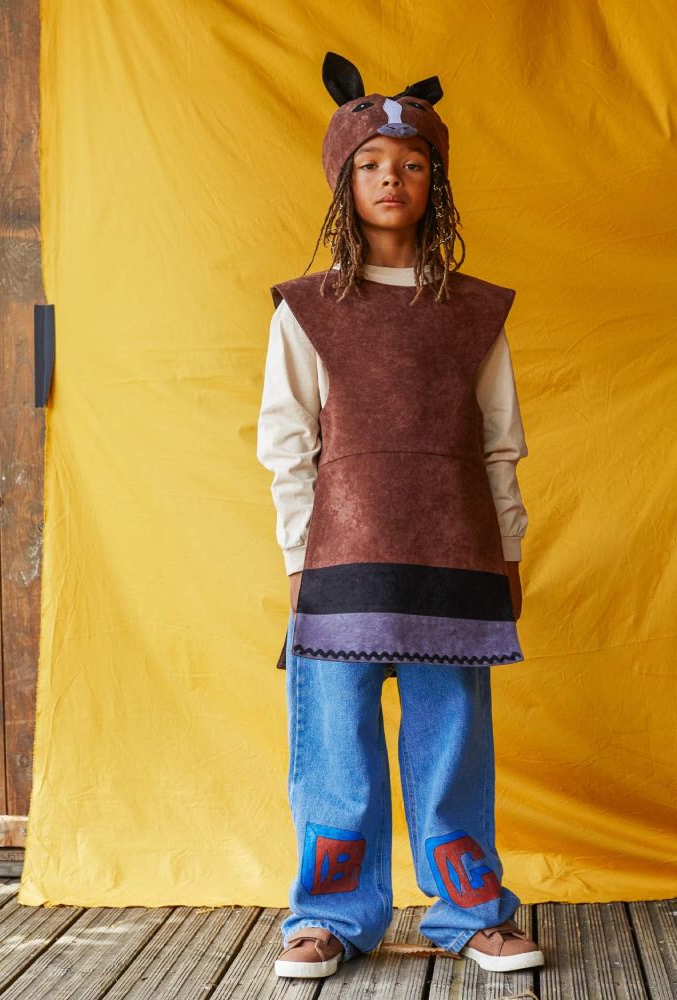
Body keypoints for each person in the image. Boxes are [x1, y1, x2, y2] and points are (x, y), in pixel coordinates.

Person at [256, 52, 545, 979]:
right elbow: (285, 445)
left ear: (437, 184)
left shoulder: (474, 314)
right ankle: (330, 916)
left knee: (453, 742)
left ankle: (471, 911)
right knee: (332, 746)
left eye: (413, 164)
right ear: (346, 181)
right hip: (341, 566)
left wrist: (508, 550)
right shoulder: (307, 311)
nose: (394, 178)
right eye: (374, 162)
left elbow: (499, 443)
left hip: (455, 564)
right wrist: (297, 559)